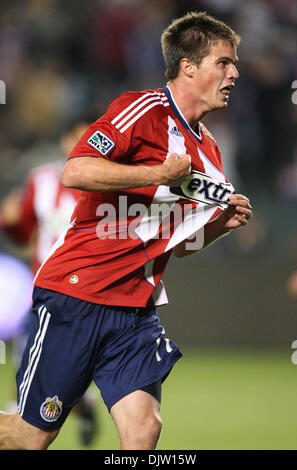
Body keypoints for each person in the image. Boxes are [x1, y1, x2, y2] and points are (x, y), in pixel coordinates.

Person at [0, 11, 252, 450]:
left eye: (234, 64)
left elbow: (181, 243)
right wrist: (158, 174)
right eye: (223, 62)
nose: (234, 73)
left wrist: (219, 227)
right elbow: (75, 170)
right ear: (188, 66)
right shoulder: (143, 111)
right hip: (76, 296)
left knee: (144, 430)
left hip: (136, 310)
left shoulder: (210, 152)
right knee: (29, 438)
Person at [0, 121, 99, 446]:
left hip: (87, 300)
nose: (82, 144)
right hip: (42, 297)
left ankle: (83, 406)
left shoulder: (109, 185)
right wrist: (9, 222)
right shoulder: (40, 180)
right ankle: (18, 427)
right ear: (64, 140)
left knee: (68, 382)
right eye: (77, 137)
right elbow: (22, 229)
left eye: (91, 139)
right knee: (27, 377)